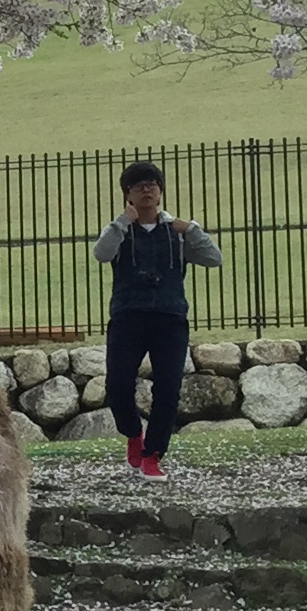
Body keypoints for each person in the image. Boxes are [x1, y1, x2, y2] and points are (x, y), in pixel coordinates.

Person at [91, 161, 222, 479]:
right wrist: (123, 221)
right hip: (127, 317)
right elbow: (101, 253)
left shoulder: (177, 232)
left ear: (161, 192)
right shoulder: (121, 232)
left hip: (170, 318)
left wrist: (191, 229)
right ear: (128, 195)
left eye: (152, 184)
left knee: (168, 389)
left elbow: (213, 258)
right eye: (138, 186)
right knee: (118, 386)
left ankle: (154, 454)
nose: (146, 190)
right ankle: (133, 434)